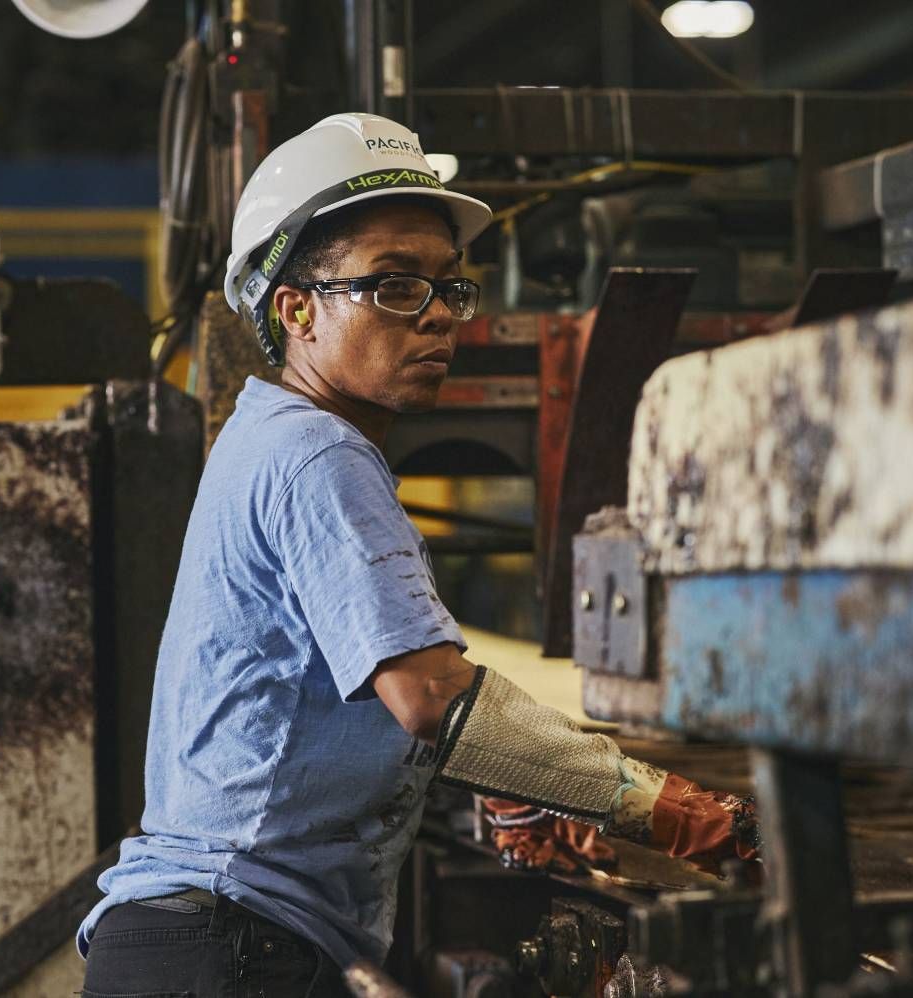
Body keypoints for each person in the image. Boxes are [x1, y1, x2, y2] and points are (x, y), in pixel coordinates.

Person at [77, 112, 756, 997]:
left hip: (210, 943)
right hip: (231, 950)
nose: (437, 315)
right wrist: (665, 807)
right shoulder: (318, 454)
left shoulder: (272, 437)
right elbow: (430, 694)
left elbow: (336, 692)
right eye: (393, 286)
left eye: (446, 286)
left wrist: (513, 786)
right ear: (296, 309)